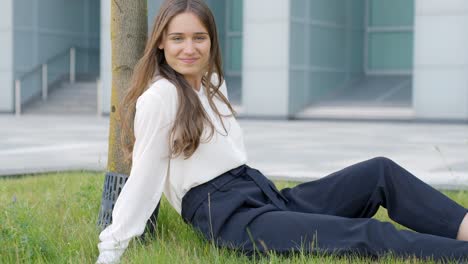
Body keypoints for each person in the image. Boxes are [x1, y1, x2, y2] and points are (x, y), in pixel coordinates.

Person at [96, 0, 468, 263]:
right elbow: (144, 180)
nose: (189, 48)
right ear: (160, 41)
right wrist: (110, 250)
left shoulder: (210, 83)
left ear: (211, 41)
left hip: (260, 195)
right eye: (178, 38)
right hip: (231, 221)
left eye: (199, 38)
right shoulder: (160, 97)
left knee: (379, 172)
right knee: (366, 234)